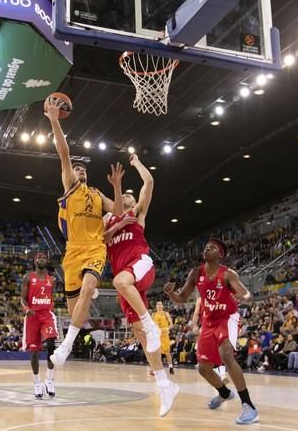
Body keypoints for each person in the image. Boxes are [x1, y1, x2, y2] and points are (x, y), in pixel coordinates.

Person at [45, 96, 123, 367]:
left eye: (83, 169)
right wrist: (54, 120)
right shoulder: (71, 187)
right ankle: (70, 339)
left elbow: (120, 211)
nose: (79, 170)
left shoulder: (98, 194)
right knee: (74, 307)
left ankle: (65, 347)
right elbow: (63, 153)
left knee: (90, 288)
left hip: (95, 248)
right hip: (72, 252)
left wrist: (116, 185)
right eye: (76, 168)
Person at [103, 154, 178, 416]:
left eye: (130, 198)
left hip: (140, 264)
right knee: (141, 336)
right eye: (123, 196)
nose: (126, 199)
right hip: (127, 282)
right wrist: (117, 225)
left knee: (119, 281)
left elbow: (149, 181)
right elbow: (100, 240)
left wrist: (135, 162)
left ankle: (150, 323)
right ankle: (164, 384)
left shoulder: (138, 213)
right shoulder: (108, 220)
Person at [164, 238, 259, 425]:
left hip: (227, 318)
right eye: (207, 246)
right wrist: (170, 293)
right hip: (208, 321)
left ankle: (249, 406)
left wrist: (245, 298)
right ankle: (224, 393)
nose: (207, 248)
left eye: (213, 247)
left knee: (226, 354)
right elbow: (182, 297)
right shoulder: (195, 273)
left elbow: (248, 295)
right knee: (203, 368)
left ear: (220, 254)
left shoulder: (228, 274)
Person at [21, 252, 58, 399]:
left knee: (51, 344)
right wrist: (27, 309)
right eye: (38, 258)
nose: (41, 259)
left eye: (43, 258)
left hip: (46, 315)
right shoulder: (28, 278)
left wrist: (50, 306)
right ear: (35, 262)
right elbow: (22, 299)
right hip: (32, 316)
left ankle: (49, 380)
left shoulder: (52, 279)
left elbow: (51, 296)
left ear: (47, 261)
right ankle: (37, 383)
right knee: (34, 352)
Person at [152, 301, 175, 374]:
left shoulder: (166, 314)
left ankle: (171, 367)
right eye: (158, 304)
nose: (159, 306)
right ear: (156, 306)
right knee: (156, 353)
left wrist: (167, 329)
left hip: (164, 335)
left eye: (160, 304)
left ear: (162, 306)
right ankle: (156, 369)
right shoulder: (153, 315)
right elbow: (152, 325)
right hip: (157, 335)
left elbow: (171, 324)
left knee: (167, 352)